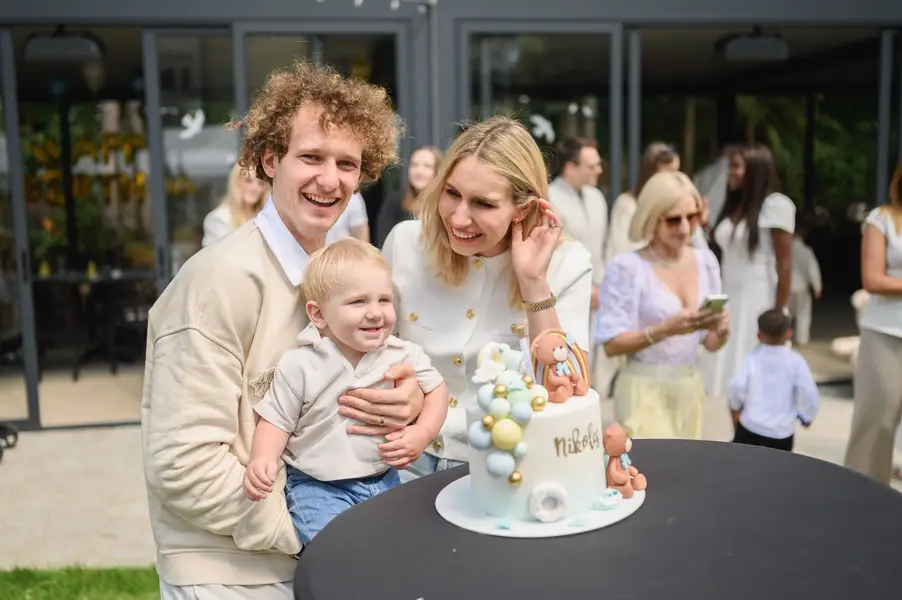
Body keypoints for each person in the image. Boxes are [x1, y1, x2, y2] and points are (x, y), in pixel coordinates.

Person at [141, 59, 424, 600]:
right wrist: (310, 528)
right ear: (270, 160)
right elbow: (182, 464)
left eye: (347, 163)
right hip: (232, 574)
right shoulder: (218, 280)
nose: (330, 179)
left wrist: (404, 398)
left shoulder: (338, 272)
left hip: (311, 560)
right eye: (311, 157)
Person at [383, 115, 593, 481]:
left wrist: (533, 283)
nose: (459, 218)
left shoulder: (568, 264)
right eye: (451, 193)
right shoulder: (405, 243)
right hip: (401, 458)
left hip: (508, 467)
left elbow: (568, 390)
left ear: (523, 209)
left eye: (482, 203)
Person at [243, 239, 448, 545]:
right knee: (336, 550)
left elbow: (437, 390)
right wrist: (262, 459)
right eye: (358, 302)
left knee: (401, 549)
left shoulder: (400, 353)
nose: (376, 313)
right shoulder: (302, 363)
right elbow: (276, 421)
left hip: (385, 479)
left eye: (384, 300)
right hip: (320, 487)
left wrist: (423, 432)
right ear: (319, 314)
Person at [597, 171, 729, 439]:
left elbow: (710, 343)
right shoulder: (628, 268)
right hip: (642, 390)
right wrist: (663, 330)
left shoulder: (706, 262)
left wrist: (722, 329)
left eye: (691, 217)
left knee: (685, 477)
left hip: (691, 388)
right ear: (651, 219)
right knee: (650, 478)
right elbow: (611, 345)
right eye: (673, 220)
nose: (684, 227)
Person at [704, 144, 795, 400]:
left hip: (757, 296)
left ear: (754, 170)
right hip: (729, 295)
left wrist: (779, 313)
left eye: (736, 166)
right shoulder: (735, 205)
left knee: (754, 380)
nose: (730, 173)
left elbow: (784, 263)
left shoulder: (775, 205)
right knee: (731, 378)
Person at [844, 159, 902, 485]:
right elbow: (873, 279)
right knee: (876, 424)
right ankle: (860, 499)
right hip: (885, 335)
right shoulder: (881, 219)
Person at [547, 137, 609, 396]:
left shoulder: (597, 197)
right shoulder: (550, 197)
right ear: (571, 167)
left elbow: (601, 246)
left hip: (598, 288)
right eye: (592, 166)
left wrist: (602, 286)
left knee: (593, 355)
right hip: (564, 290)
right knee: (568, 353)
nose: (599, 170)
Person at [729, 308, 819, 452]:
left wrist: (735, 408)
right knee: (777, 471)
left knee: (743, 467)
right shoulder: (796, 361)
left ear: (758, 336)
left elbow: (737, 386)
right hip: (781, 433)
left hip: (751, 426)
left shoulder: (752, 358)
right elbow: (809, 392)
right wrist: (808, 416)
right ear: (789, 333)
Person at [605, 142, 680, 263]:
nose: (674, 178)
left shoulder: (677, 206)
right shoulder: (627, 205)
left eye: (676, 172)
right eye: (668, 172)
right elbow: (616, 252)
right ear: (651, 174)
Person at [375, 145, 443, 248]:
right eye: (414, 165)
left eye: (427, 166)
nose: (419, 171)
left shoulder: (444, 204)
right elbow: (383, 241)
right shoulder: (395, 202)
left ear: (437, 171)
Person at [202, 162, 268, 246]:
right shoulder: (219, 219)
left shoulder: (265, 217)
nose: (255, 188)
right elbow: (216, 256)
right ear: (236, 182)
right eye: (248, 181)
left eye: (261, 183)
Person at [789, 219, 823, 345]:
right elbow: (812, 269)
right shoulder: (805, 250)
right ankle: (801, 339)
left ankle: (784, 337)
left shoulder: (784, 248)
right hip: (801, 286)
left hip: (786, 285)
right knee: (803, 314)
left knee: (786, 313)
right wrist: (817, 286)